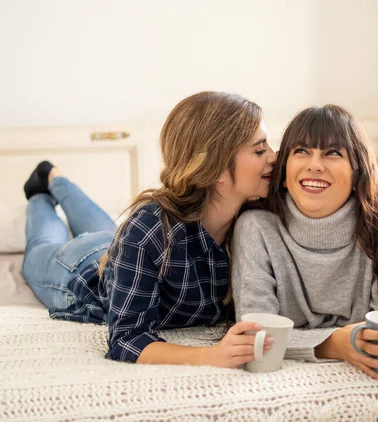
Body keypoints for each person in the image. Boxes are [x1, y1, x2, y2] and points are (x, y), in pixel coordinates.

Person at [21, 91, 277, 367]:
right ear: (215, 169)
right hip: (78, 270)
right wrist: (212, 356)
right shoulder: (149, 229)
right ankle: (44, 189)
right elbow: (127, 340)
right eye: (260, 149)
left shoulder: (256, 220)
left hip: (116, 249)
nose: (274, 156)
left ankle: (56, 178)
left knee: (106, 228)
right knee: (41, 246)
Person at [231, 104, 378, 381]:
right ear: (283, 173)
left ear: (358, 173)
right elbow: (258, 333)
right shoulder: (256, 228)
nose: (315, 165)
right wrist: (333, 344)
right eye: (301, 151)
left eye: (332, 153)